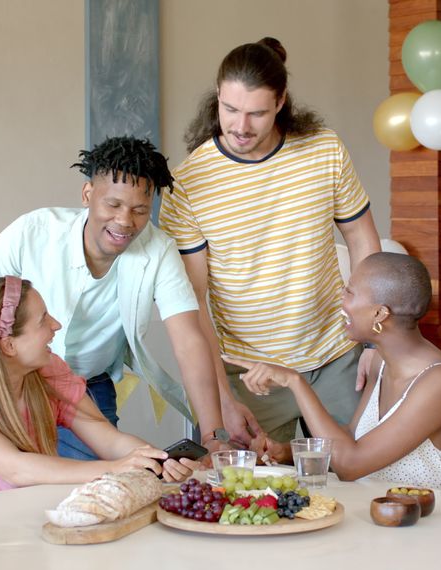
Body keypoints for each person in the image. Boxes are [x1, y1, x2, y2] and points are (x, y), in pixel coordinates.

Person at [0, 136, 229, 458]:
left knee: (97, 485)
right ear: (87, 194)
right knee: (10, 478)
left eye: (140, 210)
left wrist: (213, 435)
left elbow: (188, 342)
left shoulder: (159, 251)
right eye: (113, 205)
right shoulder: (33, 231)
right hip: (11, 384)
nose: (125, 221)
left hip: (87, 387)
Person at [159, 37, 382, 448]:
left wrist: (374, 339)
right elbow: (193, 302)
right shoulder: (187, 184)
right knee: (252, 486)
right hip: (249, 376)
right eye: (230, 109)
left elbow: (362, 239)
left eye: (257, 113)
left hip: (337, 358)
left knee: (364, 475)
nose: (241, 127)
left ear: (280, 101)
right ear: (217, 96)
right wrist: (223, 400)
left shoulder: (324, 150)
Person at [0, 276, 199, 497]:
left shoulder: (48, 372)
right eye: (43, 320)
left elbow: (110, 441)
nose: (56, 325)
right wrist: (114, 469)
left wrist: (157, 460)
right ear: (8, 345)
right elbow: (15, 468)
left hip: (30, 520)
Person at [227, 253, 441, 493]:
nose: (341, 299)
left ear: (379, 313)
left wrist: (295, 381)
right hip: (379, 515)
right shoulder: (380, 361)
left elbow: (349, 465)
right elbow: (352, 437)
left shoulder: (439, 384)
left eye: (349, 292)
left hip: (439, 520)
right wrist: (285, 451)